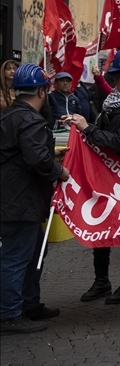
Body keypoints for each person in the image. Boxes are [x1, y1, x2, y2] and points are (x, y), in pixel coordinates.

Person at [63, 46, 120, 305]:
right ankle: (101, 281)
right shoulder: (114, 100)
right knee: (102, 223)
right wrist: (80, 128)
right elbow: (100, 135)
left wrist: (87, 128)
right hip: (107, 174)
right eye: (114, 73)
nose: (114, 78)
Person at [0, 64, 70, 334]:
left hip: (14, 198)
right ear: (42, 91)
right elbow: (35, 158)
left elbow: (20, 155)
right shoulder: (30, 119)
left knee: (33, 253)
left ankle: (29, 304)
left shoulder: (9, 116)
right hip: (20, 201)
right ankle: (8, 313)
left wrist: (49, 159)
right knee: (16, 256)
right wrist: (58, 170)